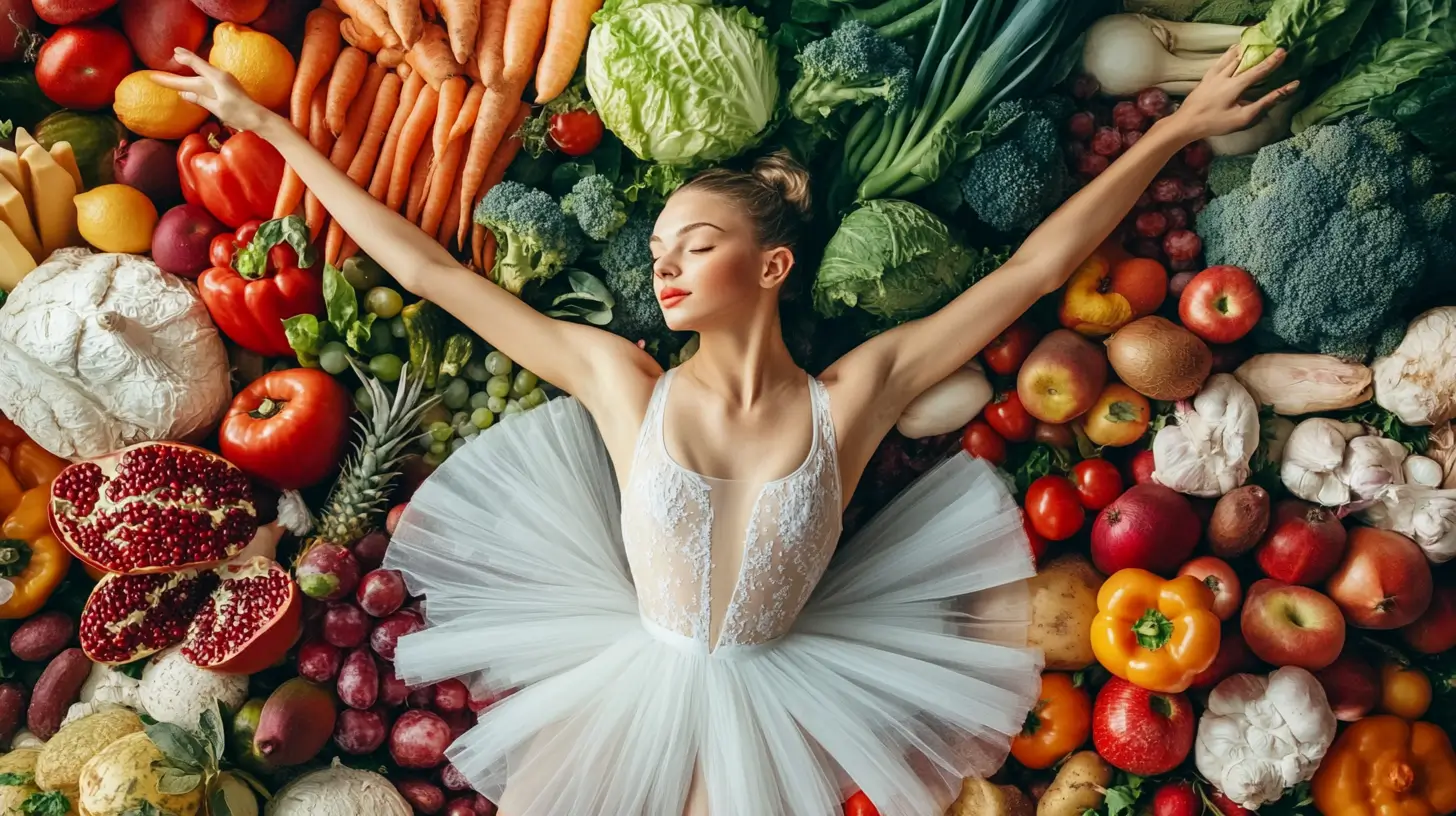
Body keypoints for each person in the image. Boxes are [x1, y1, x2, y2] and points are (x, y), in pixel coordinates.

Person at [160, 44, 1298, 816]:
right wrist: (265, 124)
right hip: (620, 678)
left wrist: (1179, 128)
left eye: (692, 243)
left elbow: (1042, 269)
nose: (663, 264)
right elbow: (428, 268)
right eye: (659, 247)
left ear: (769, 266)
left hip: (796, 685)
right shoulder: (620, 379)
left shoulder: (859, 391)